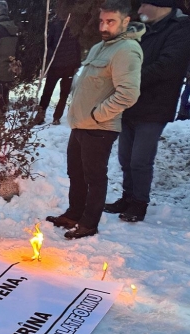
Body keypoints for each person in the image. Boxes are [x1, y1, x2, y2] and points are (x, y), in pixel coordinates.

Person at [46, 0, 142, 239]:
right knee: (76, 173)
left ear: (125, 21)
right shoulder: (100, 47)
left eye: (110, 21)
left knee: (94, 178)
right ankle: (74, 214)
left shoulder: (126, 50)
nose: (104, 26)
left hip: (99, 127)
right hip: (80, 124)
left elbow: (128, 94)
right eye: (101, 21)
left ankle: (89, 223)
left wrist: (98, 114)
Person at [104, 0, 190, 223]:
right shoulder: (143, 29)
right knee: (125, 157)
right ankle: (127, 197)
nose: (139, 11)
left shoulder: (181, 30)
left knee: (140, 160)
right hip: (130, 102)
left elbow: (167, 66)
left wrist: (130, 80)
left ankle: (139, 203)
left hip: (155, 105)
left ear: (160, 5)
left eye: (144, 5)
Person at [33, 16, 82, 126]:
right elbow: (78, 47)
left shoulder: (56, 25)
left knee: (48, 92)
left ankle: (41, 116)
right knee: (63, 94)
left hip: (57, 66)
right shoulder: (74, 26)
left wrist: (51, 58)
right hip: (68, 66)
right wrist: (77, 64)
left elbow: (48, 44)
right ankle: (56, 117)